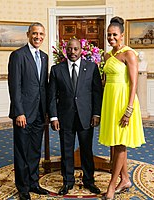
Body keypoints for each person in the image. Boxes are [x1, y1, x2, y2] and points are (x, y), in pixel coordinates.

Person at [99, 16, 146, 199]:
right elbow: (105, 80)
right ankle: (125, 179)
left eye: (114, 35)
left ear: (122, 35)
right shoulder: (106, 55)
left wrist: (129, 109)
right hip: (109, 101)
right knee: (115, 143)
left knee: (120, 145)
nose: (111, 38)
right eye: (108, 35)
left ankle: (112, 185)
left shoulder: (129, 54)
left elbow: (134, 84)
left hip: (124, 103)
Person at [48, 38, 103, 195]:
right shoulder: (56, 70)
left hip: (86, 117)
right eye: (70, 49)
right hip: (65, 118)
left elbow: (97, 93)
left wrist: (96, 113)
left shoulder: (92, 67)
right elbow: (51, 96)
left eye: (76, 49)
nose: (72, 52)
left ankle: (89, 181)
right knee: (66, 151)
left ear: (81, 50)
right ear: (66, 50)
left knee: (86, 150)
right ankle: (67, 182)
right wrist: (53, 117)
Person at [8, 22, 49, 200]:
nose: (37, 37)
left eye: (41, 34)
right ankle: (23, 187)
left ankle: (33, 182)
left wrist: (47, 111)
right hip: (23, 113)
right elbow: (14, 86)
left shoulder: (45, 56)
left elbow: (43, 86)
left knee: (34, 151)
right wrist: (19, 112)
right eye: (34, 33)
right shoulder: (18, 56)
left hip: (40, 113)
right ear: (28, 34)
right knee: (22, 152)